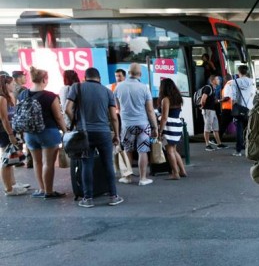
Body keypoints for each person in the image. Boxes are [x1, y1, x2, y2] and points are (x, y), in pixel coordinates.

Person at [64, 67, 123, 207]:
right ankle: (113, 196)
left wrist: (76, 122)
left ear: (85, 77)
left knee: (86, 164)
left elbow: (67, 109)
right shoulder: (107, 91)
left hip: (84, 133)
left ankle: (88, 198)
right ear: (99, 78)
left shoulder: (76, 87)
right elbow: (114, 117)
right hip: (103, 132)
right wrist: (117, 135)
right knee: (108, 163)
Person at [22, 67, 69, 198]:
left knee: (37, 162)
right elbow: (58, 117)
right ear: (44, 79)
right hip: (48, 132)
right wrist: (65, 131)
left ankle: (41, 190)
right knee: (48, 163)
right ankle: (49, 191)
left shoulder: (23, 94)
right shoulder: (50, 96)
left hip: (29, 133)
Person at [114, 63, 159, 186]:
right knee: (142, 151)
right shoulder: (144, 88)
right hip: (143, 124)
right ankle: (143, 178)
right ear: (140, 74)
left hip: (127, 124)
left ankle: (127, 177)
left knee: (128, 150)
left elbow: (117, 107)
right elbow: (150, 110)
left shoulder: (119, 87)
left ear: (128, 73)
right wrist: (155, 127)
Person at [0, 74, 31, 196]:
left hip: (9, 130)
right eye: (12, 84)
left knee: (11, 158)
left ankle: (12, 184)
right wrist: (10, 134)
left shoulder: (7, 97)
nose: (14, 85)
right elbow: (4, 119)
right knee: (6, 160)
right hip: (4, 132)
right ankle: (9, 188)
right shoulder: (2, 98)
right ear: (6, 85)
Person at [157, 78, 187, 180]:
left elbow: (164, 117)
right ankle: (182, 171)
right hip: (177, 124)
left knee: (169, 151)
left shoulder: (166, 99)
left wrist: (160, 130)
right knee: (174, 150)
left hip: (169, 126)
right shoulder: (177, 98)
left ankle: (175, 173)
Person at [222, 65, 256, 157]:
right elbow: (253, 95)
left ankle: (238, 151)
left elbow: (233, 96)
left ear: (239, 72)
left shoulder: (234, 82)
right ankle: (249, 149)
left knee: (239, 130)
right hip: (249, 108)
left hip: (239, 109)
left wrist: (234, 105)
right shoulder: (252, 82)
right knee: (249, 130)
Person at [200, 74, 222, 151]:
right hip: (208, 110)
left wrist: (220, 100)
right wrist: (203, 106)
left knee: (215, 128)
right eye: (217, 79)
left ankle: (219, 144)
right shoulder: (208, 88)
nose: (219, 80)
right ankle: (207, 145)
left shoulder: (213, 88)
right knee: (207, 127)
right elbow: (203, 99)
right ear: (213, 81)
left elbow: (212, 100)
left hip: (212, 110)